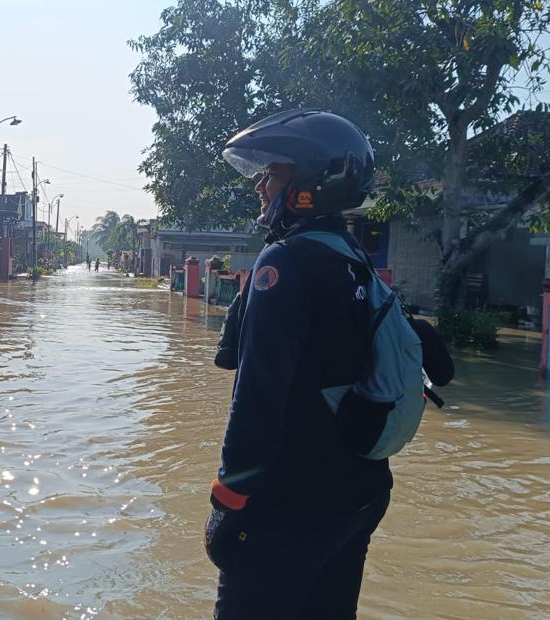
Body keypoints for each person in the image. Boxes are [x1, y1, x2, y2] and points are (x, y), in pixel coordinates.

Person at [204, 110, 392, 619]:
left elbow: (258, 399)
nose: (260, 186)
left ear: (312, 182)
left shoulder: (284, 264)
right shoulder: (352, 257)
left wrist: (228, 500)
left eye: (274, 172)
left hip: (292, 503)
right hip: (360, 493)